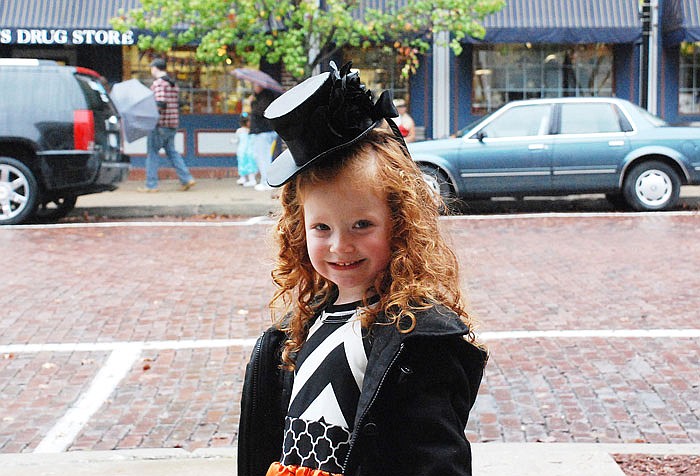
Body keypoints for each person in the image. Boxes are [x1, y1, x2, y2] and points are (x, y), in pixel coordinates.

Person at [238, 62, 487, 476]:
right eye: (321, 227)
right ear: (299, 230)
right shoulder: (301, 326)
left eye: (362, 225)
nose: (340, 245)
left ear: (400, 223)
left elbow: (437, 459)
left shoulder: (415, 338)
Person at [138, 58, 196, 193]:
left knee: (152, 153)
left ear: (155, 68)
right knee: (172, 152)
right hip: (172, 123)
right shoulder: (172, 83)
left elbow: (160, 103)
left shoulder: (159, 83)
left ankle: (151, 185)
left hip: (160, 124)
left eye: (151, 68)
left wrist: (150, 114)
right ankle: (187, 179)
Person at [248, 83, 280, 191]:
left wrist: (252, 102)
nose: (254, 87)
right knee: (261, 156)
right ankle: (266, 180)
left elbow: (259, 112)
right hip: (262, 131)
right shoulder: (262, 96)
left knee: (263, 157)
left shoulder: (265, 97)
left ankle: (266, 182)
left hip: (263, 131)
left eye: (256, 85)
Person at [234, 112, 258, 187]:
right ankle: (251, 179)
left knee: (242, 164)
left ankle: (243, 178)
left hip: (242, 150)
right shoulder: (252, 130)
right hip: (250, 150)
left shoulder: (239, 131)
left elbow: (235, 140)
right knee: (251, 164)